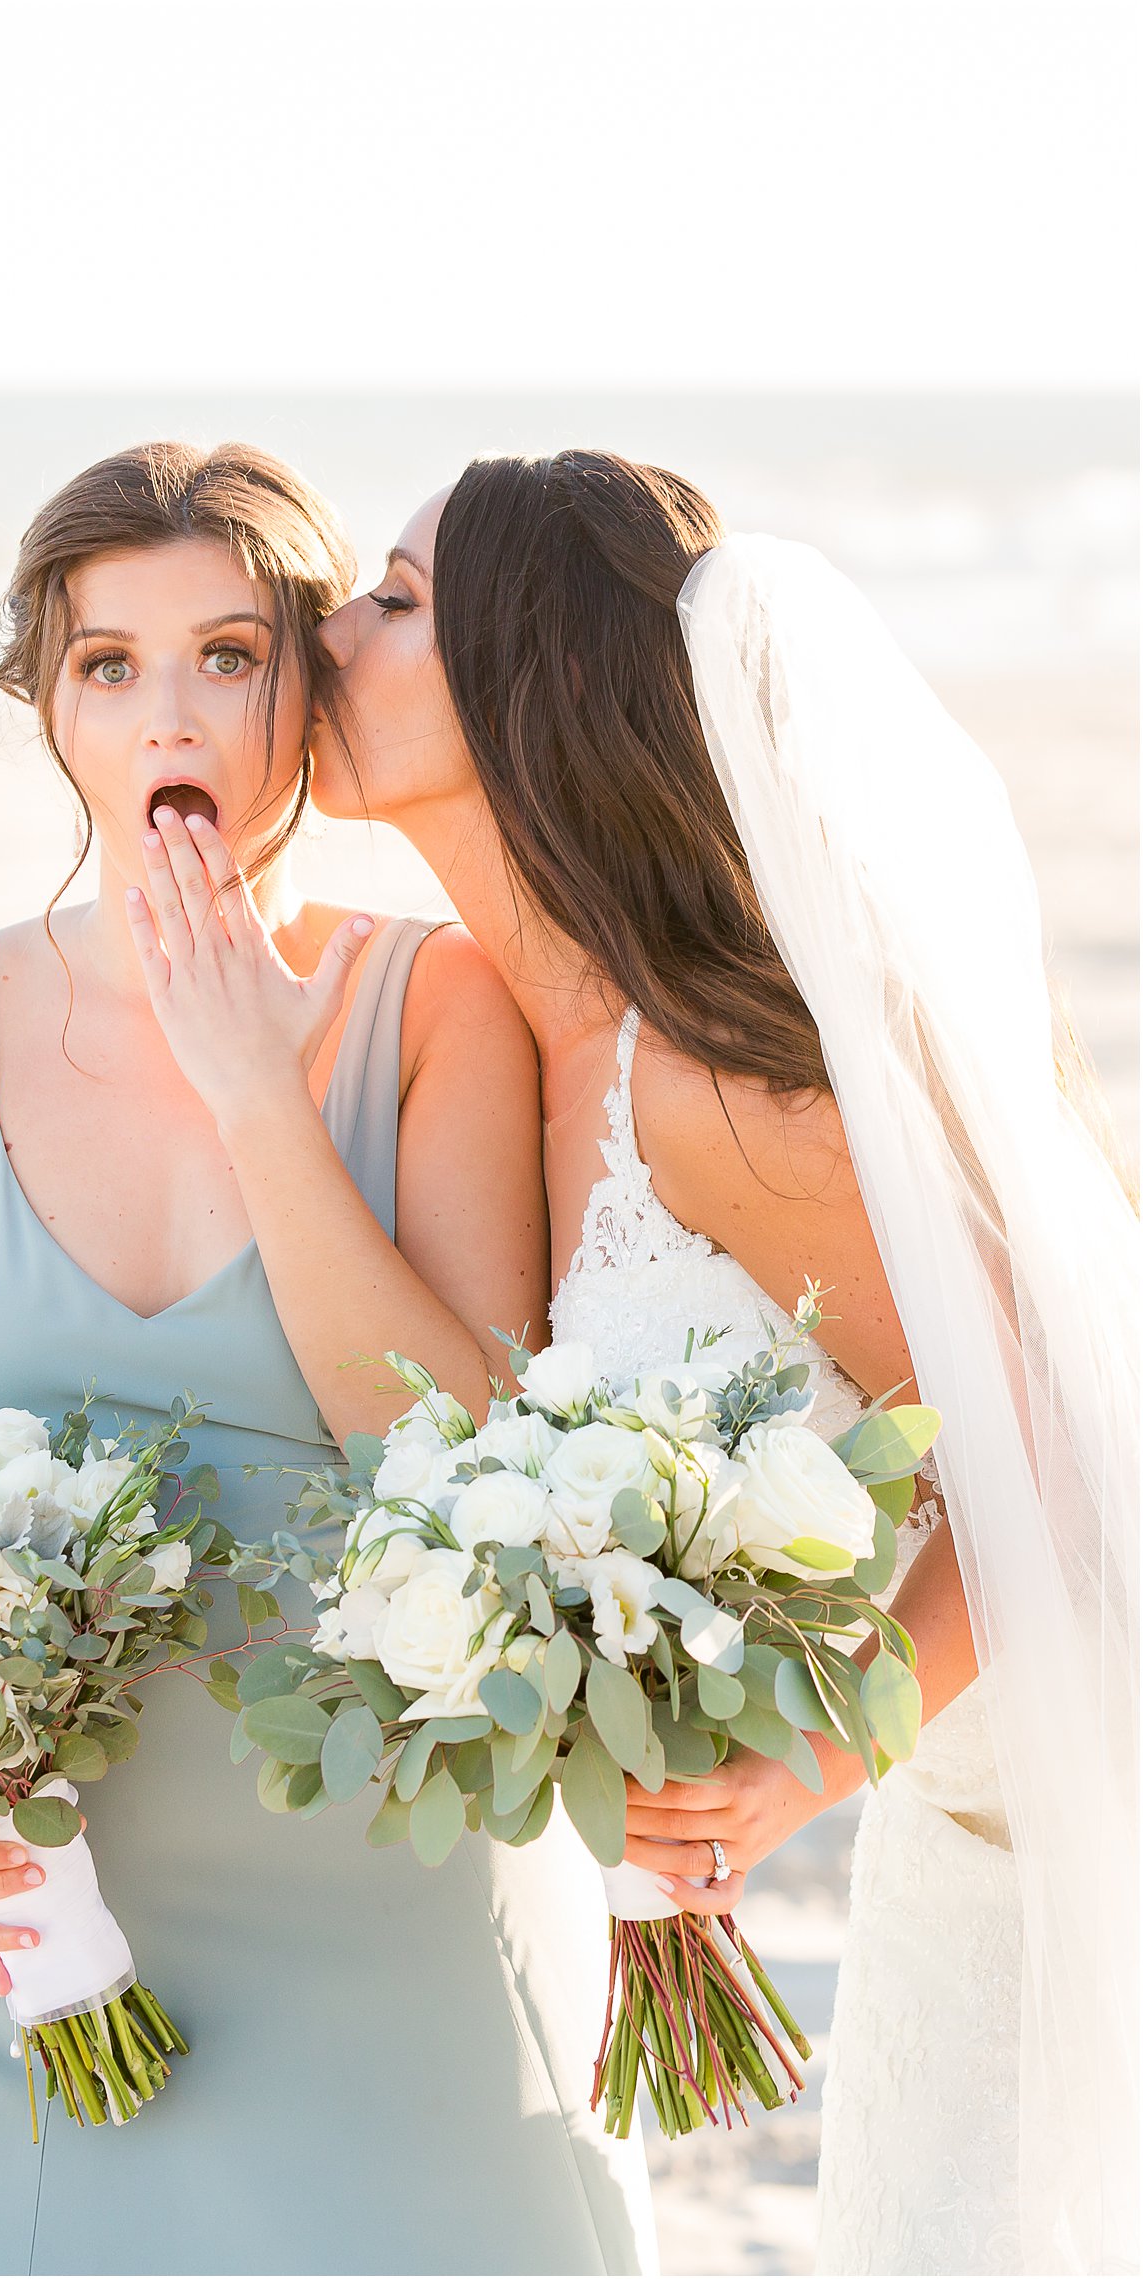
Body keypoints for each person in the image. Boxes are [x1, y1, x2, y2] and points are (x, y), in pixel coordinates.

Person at [0, 441, 657, 2276]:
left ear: (305, 684)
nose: (168, 711)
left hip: (393, 1926)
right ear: (52, 709)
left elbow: (451, 1453)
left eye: (230, 656)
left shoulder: (432, 1009)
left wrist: (261, 1082)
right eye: (109, 664)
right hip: (36, 1942)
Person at [311, 452, 1138, 2277]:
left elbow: (1074, 1437)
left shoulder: (717, 1077)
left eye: (387, 598)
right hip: (954, 1807)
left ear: (523, 680)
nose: (324, 633)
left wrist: (809, 1761)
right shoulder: (489, 1024)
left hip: (1053, 1789)